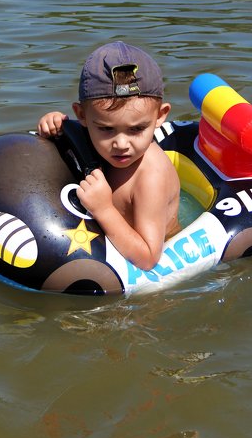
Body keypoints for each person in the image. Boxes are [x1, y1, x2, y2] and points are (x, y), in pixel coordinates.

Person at [37, 42, 181, 270]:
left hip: (145, 269)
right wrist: (54, 126)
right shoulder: (97, 139)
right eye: (106, 129)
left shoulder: (150, 176)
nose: (121, 144)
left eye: (136, 129)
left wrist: (103, 209)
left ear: (161, 116)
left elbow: (148, 258)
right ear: (81, 115)